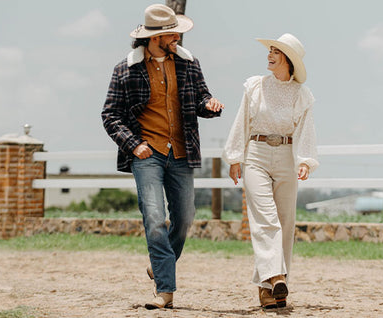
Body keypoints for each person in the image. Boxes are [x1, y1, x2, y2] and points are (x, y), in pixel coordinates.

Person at [101, 3, 224, 310]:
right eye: (172, 35)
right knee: (155, 219)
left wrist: (209, 104)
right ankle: (165, 291)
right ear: (155, 38)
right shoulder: (125, 70)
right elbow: (110, 115)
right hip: (147, 154)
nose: (177, 39)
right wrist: (133, 145)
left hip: (181, 153)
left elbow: (200, 98)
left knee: (184, 219)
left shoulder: (188, 64)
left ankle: (158, 267)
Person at [223, 33, 318, 309]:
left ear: (288, 60)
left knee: (285, 222)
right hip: (257, 154)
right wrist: (234, 157)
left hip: (288, 156)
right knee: (266, 218)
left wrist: (305, 160)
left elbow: (305, 129)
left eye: (276, 51)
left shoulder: (302, 94)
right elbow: (242, 120)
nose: (269, 55)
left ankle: (268, 289)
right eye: (270, 50)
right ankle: (277, 276)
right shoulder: (254, 86)